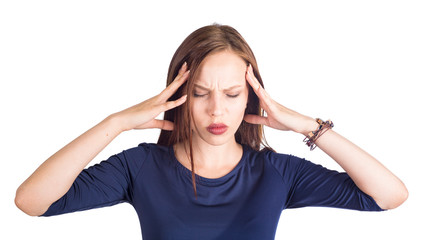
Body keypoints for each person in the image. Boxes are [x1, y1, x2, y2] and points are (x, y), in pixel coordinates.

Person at [15, 24, 408, 240]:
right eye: (200, 93)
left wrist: (307, 125)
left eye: (233, 94)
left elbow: (389, 196)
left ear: (251, 99)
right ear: (179, 95)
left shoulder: (276, 173)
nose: (217, 109)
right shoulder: (141, 167)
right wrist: (116, 122)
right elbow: (31, 201)